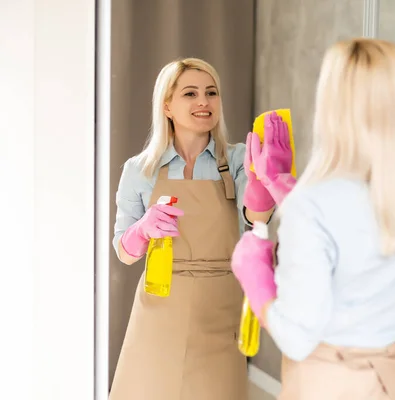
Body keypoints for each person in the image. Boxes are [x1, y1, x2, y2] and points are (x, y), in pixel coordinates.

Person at [231, 38, 395, 399]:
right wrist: (286, 192)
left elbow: (296, 336)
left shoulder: (312, 207)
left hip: (331, 385)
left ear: (331, 105)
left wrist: (254, 276)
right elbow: (357, 237)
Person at [109, 58, 284, 400]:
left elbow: (257, 217)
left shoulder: (235, 160)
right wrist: (142, 229)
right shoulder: (140, 169)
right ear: (168, 106)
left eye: (211, 92)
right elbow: (124, 252)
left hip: (220, 309)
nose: (204, 101)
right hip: (159, 308)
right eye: (191, 93)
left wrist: (268, 179)